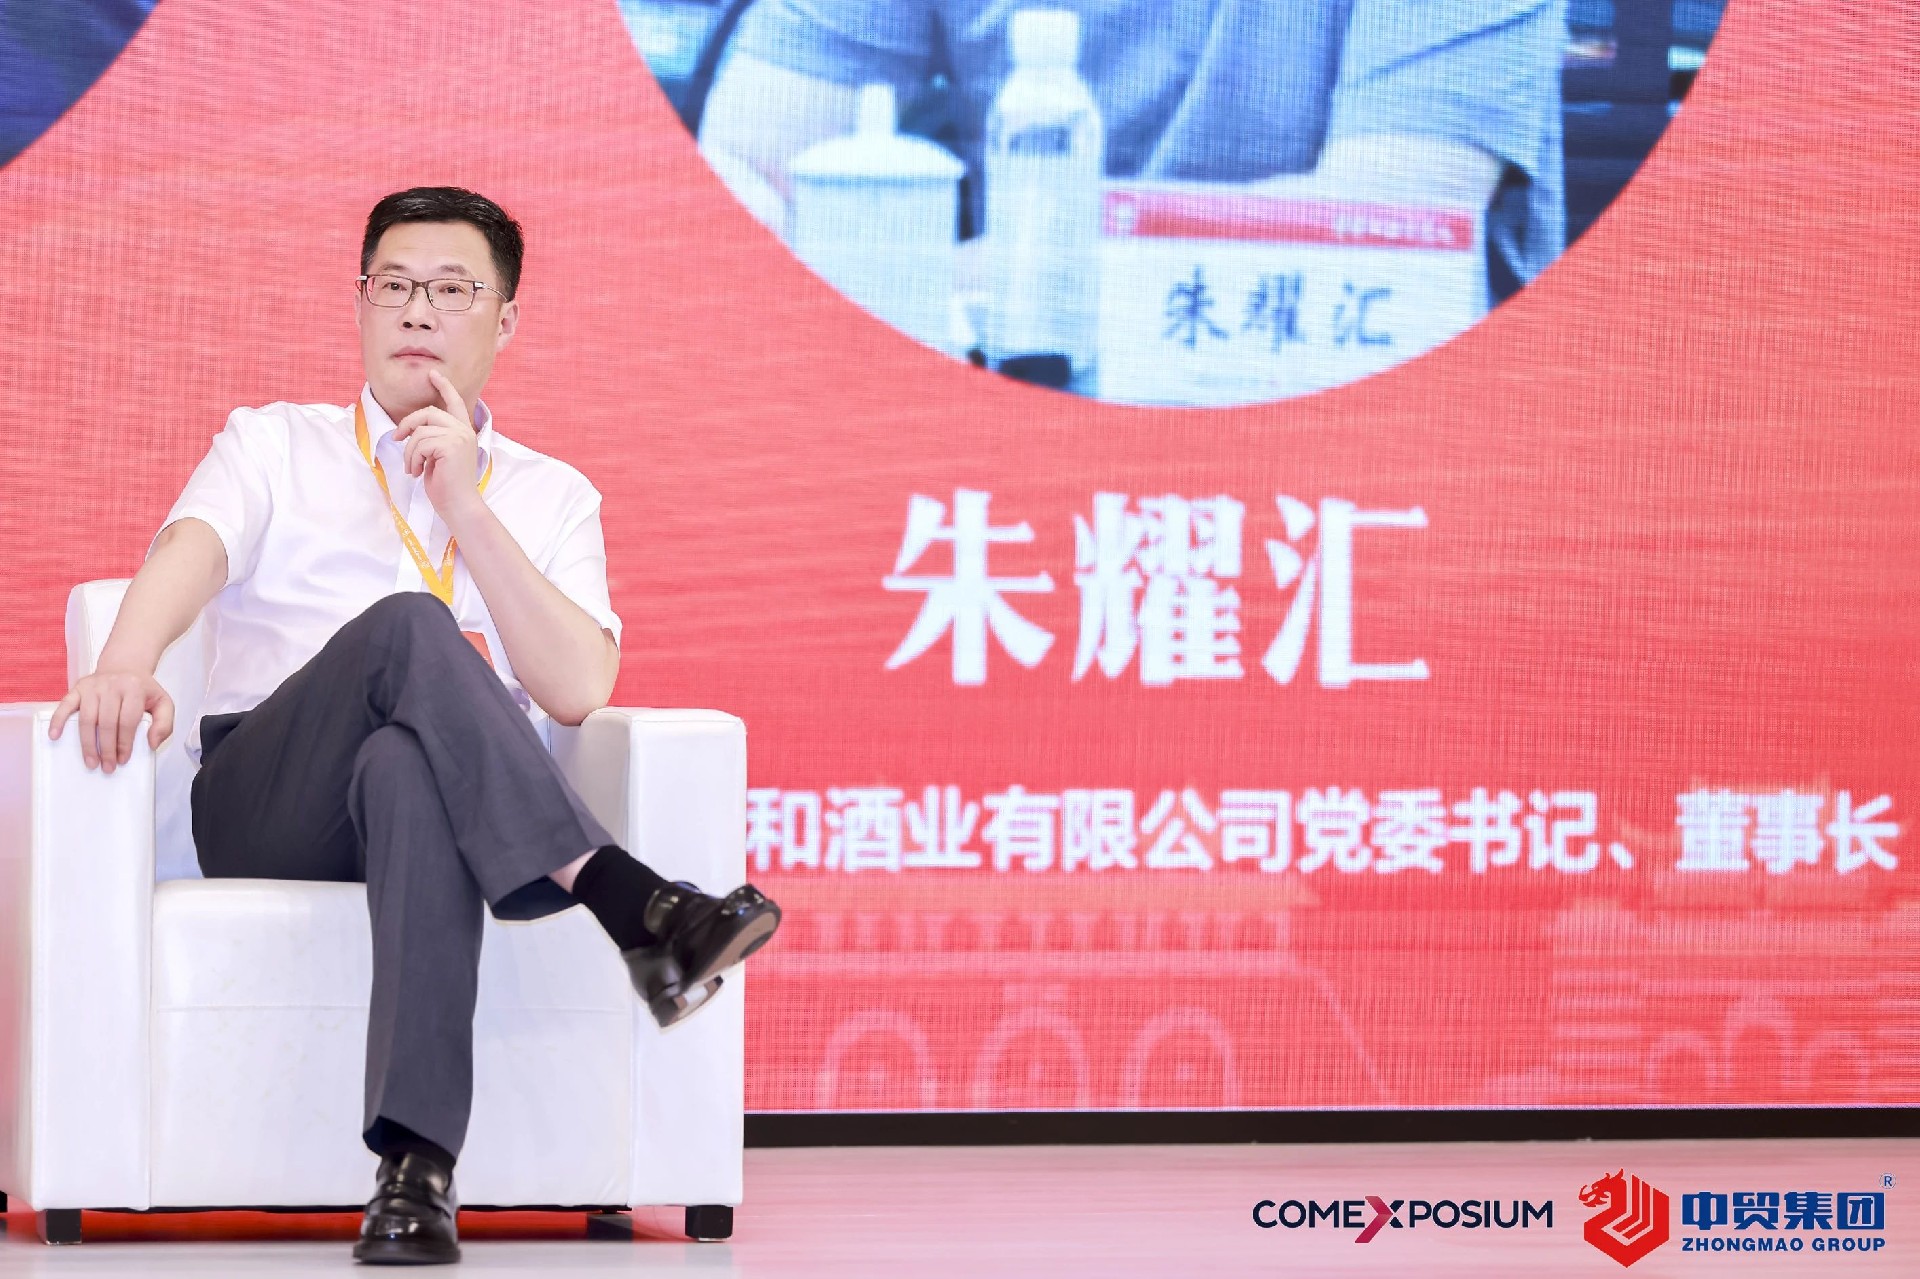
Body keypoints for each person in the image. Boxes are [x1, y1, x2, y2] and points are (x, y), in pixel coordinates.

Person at [45, 186, 781, 1266]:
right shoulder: (276, 443)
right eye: (393, 285)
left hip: (446, 808)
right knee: (407, 625)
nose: (417, 311)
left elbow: (578, 685)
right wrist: (123, 660)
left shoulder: (554, 496)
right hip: (265, 797)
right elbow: (187, 550)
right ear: (360, 302)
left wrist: (467, 507)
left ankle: (415, 1175)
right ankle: (634, 901)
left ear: (505, 319)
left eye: (451, 290)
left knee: (409, 768)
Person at [698, 0, 1564, 290]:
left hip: (1360, 459)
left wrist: (939, 282)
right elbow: (751, 166)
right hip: (1011, 437)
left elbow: (1392, 228)